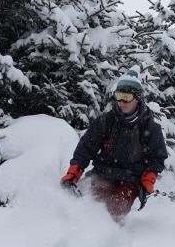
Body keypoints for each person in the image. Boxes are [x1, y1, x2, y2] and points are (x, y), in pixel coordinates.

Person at [60, 70, 168, 221]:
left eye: (126, 97)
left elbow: (157, 158)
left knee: (117, 207)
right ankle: (81, 234)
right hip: (104, 173)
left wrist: (148, 179)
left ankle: (110, 237)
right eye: (119, 96)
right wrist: (73, 173)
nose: (121, 102)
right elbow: (86, 148)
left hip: (131, 179)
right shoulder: (106, 121)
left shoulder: (150, 128)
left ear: (137, 98)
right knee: (94, 202)